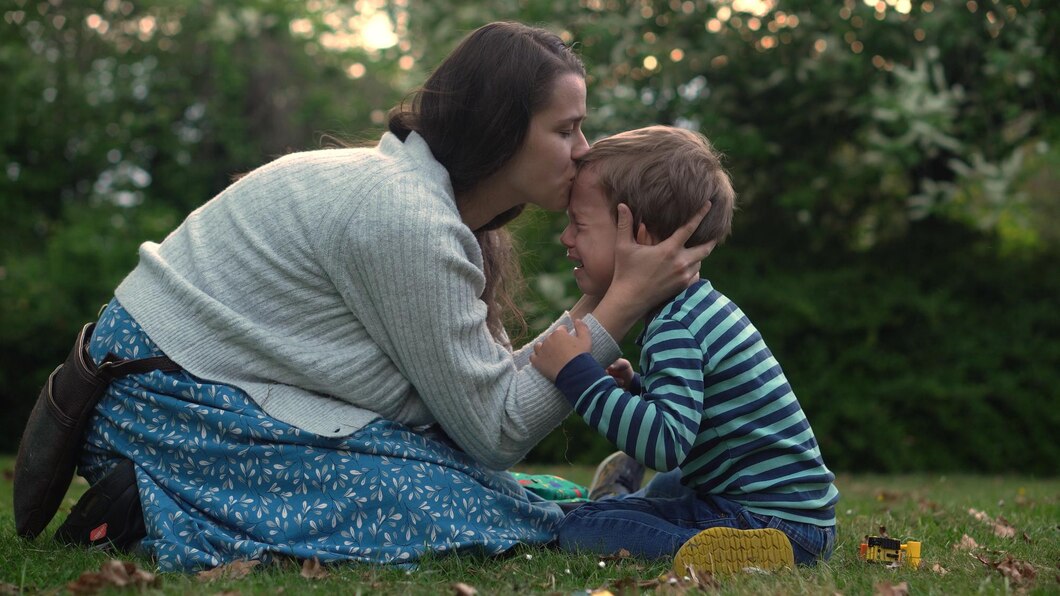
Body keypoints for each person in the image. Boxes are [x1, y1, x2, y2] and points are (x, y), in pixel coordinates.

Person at [13, 24, 715, 572]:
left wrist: (601, 307)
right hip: (169, 408)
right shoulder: (405, 217)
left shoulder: (425, 209)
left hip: (206, 394)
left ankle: (613, 513)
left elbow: (482, 397)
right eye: (566, 130)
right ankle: (155, 496)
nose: (584, 150)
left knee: (455, 482)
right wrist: (621, 302)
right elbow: (493, 430)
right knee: (443, 506)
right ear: (502, 130)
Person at [529, 126, 839, 574]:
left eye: (578, 225)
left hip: (770, 523)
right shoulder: (694, 311)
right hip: (797, 516)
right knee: (672, 487)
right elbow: (697, 425)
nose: (565, 238)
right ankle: (624, 499)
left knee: (581, 527)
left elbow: (666, 443)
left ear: (641, 237)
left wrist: (578, 376)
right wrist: (636, 389)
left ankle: (695, 537)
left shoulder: (676, 327)